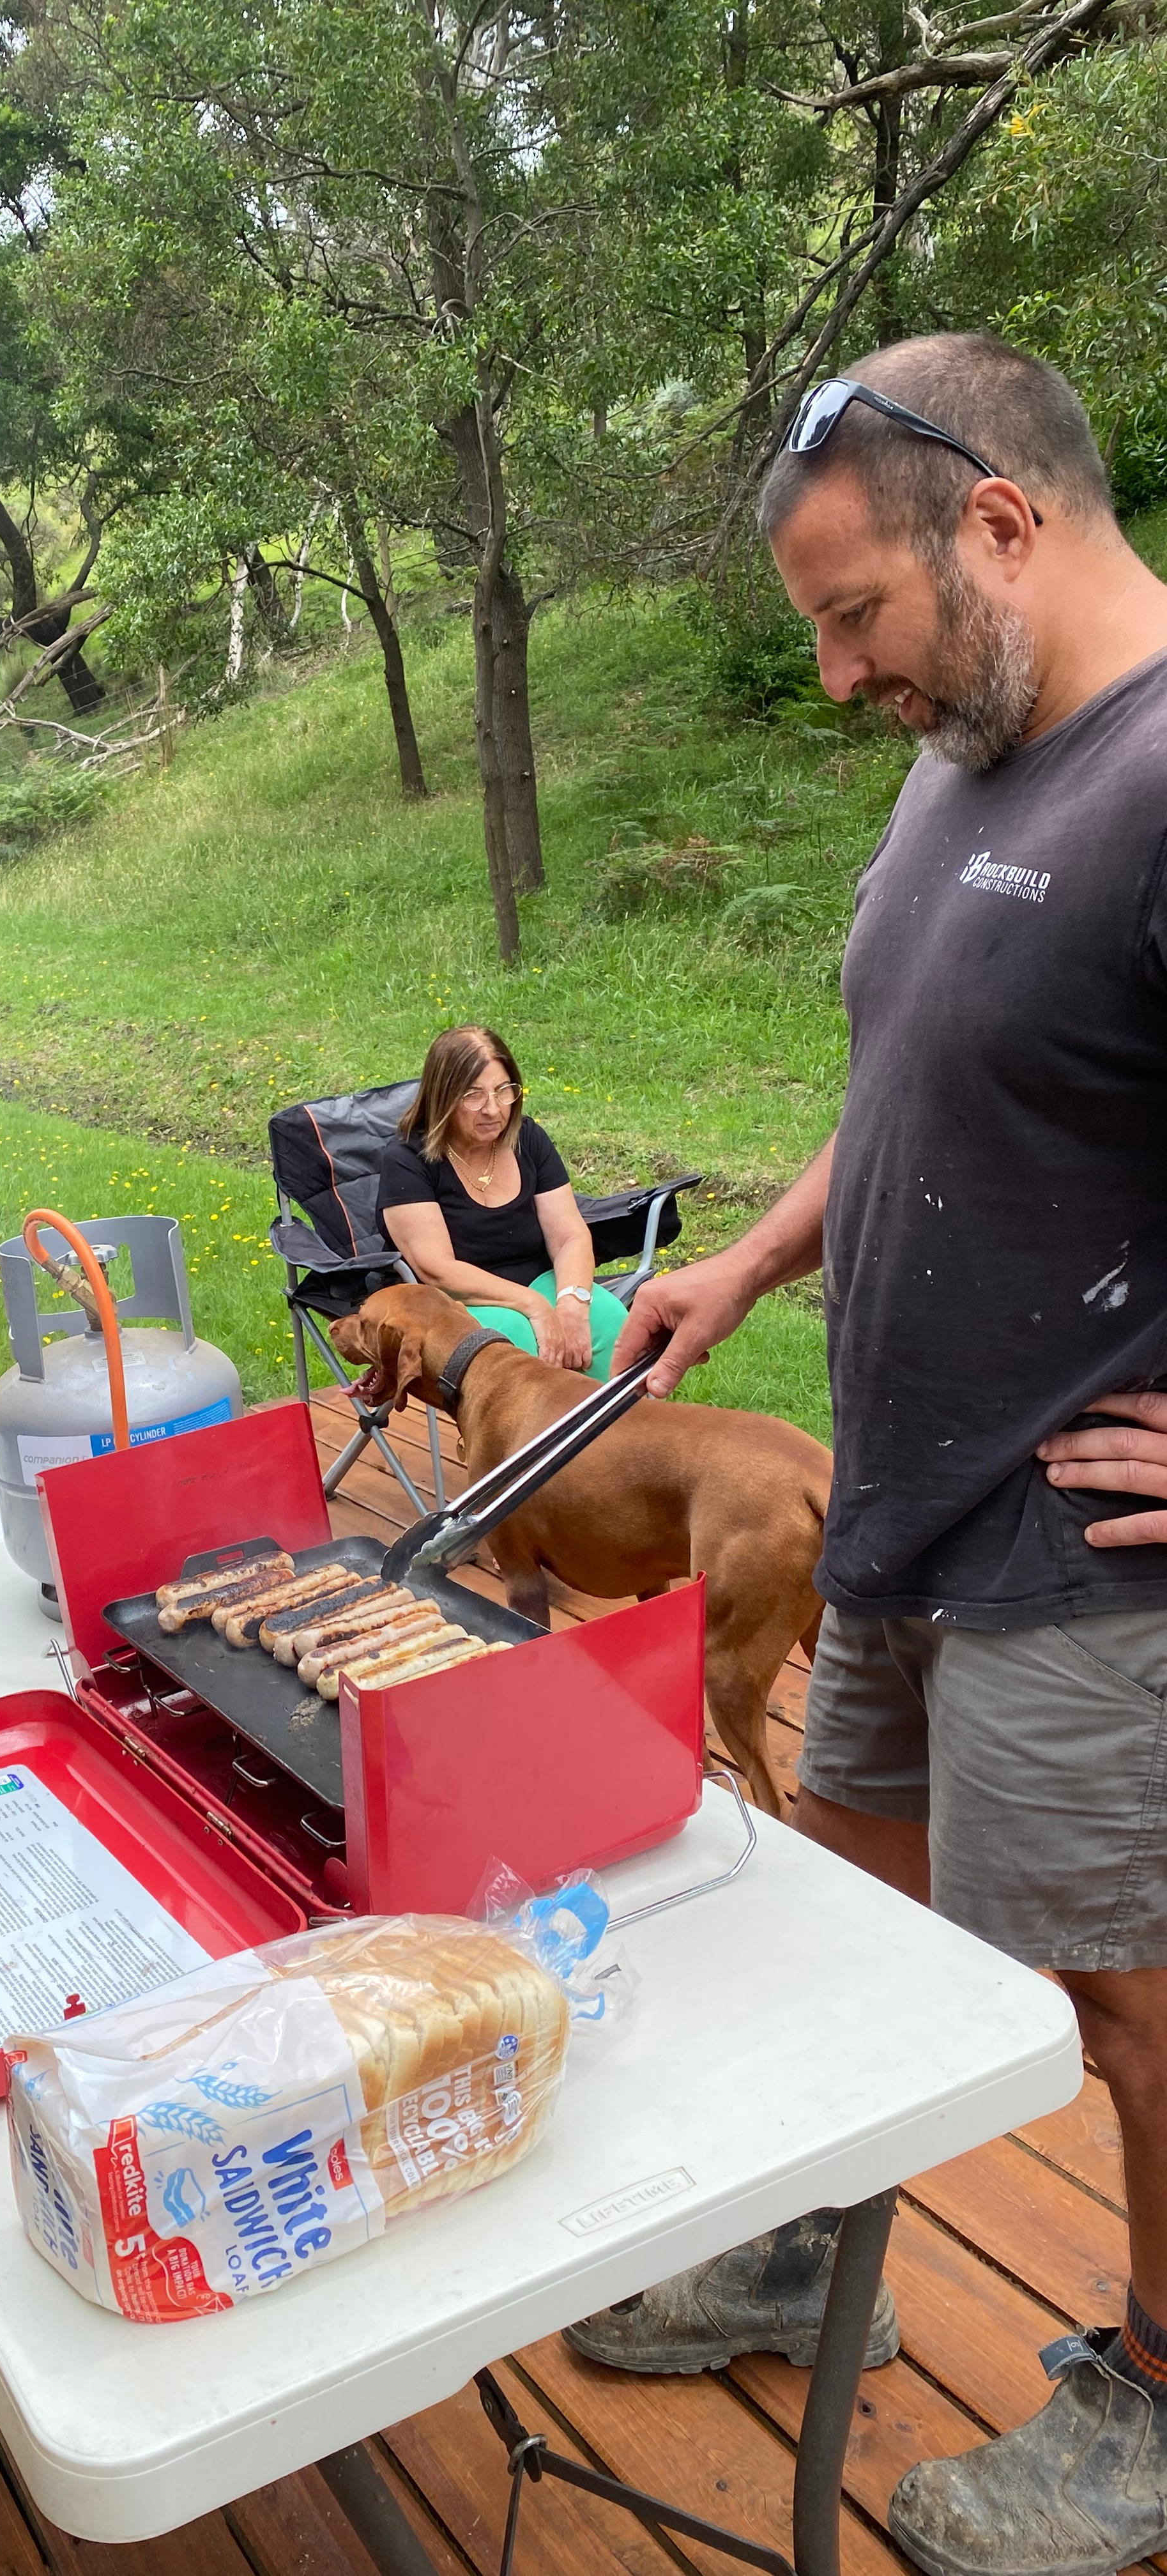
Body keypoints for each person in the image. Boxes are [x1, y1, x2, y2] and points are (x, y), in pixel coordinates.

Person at [571, 335, 1167, 2576]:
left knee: (1121, 1996)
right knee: (835, 1921)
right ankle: (822, 2249)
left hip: (1087, 1560)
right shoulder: (970, 757)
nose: (837, 679)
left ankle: (1160, 2399)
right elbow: (921, 1074)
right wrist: (738, 1266)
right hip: (897, 1488)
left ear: (997, 524)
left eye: (856, 618)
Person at [375, 1025, 626, 1380]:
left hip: (540, 1279)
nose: (493, 1109)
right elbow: (437, 1270)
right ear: (442, 1098)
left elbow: (570, 1236)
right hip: (452, 1303)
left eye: (503, 1091)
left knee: (610, 1325)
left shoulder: (529, 1139)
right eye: (473, 1095)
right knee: (511, 1346)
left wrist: (571, 1301)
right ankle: (533, 1436)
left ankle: (618, 1432)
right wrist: (535, 1306)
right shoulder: (406, 1160)